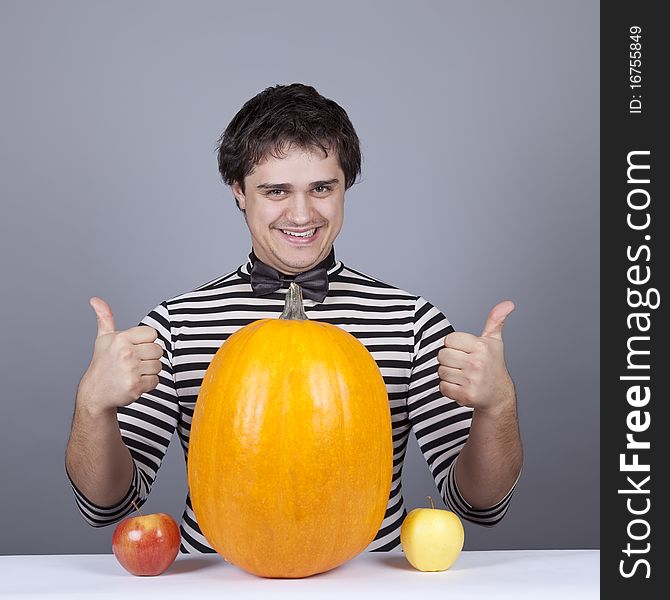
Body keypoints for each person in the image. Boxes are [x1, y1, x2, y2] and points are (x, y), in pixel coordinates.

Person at [65, 83, 523, 553]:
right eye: (276, 190)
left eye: (322, 188)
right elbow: (107, 507)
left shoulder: (411, 321)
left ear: (346, 188)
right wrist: (92, 407)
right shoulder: (176, 324)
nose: (302, 214)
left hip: (364, 586)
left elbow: (479, 508)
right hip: (222, 586)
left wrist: (497, 409)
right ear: (239, 192)